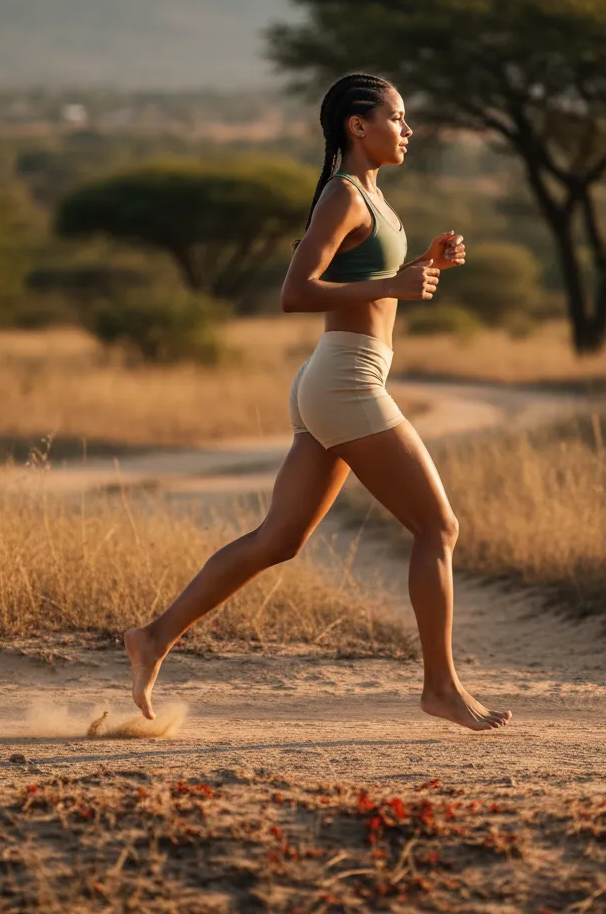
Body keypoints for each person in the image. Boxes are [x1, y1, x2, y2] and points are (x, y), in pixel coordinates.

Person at [125, 72, 512, 732]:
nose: (407, 129)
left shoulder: (370, 197)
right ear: (358, 127)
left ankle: (153, 637)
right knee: (438, 528)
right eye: (396, 117)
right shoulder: (342, 194)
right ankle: (441, 688)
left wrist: (425, 264)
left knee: (278, 539)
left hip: (335, 381)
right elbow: (296, 292)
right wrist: (396, 278)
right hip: (344, 381)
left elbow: (371, 284)